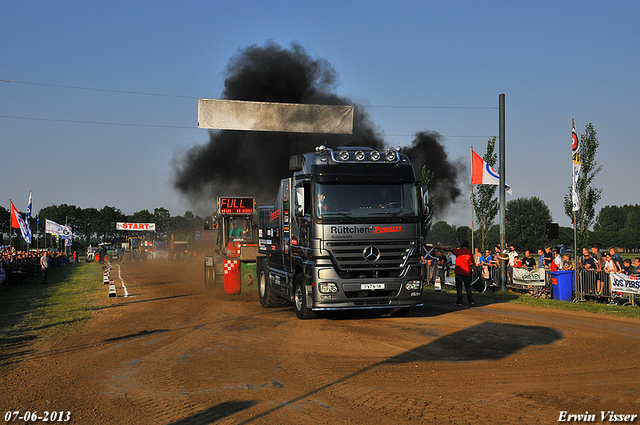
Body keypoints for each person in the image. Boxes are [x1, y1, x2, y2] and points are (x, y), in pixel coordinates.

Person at [452, 240, 474, 306]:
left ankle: (459, 302)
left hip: (459, 272)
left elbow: (450, 250)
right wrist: (476, 272)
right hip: (467, 272)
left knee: (459, 288)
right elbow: (473, 264)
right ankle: (471, 301)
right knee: (468, 287)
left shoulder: (459, 251)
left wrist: (441, 248)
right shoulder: (470, 253)